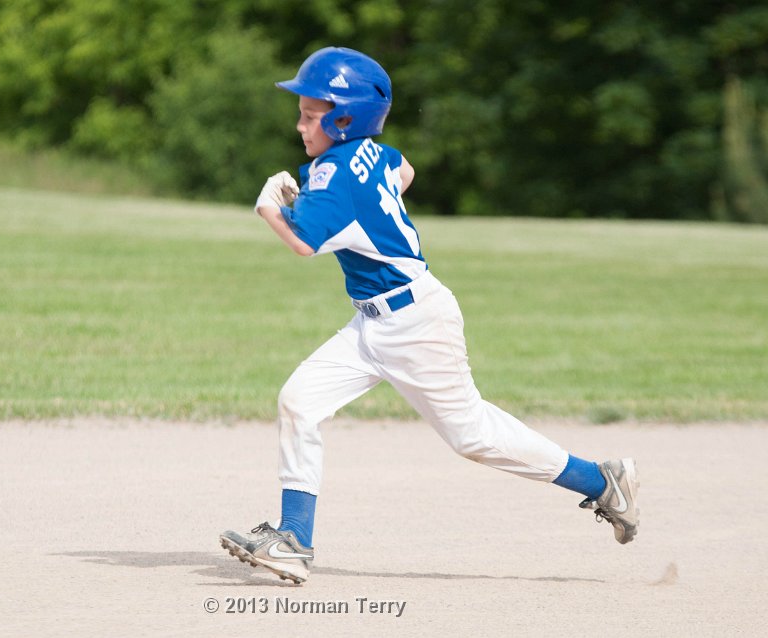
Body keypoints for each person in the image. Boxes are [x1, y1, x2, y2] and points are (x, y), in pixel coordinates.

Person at [220, 47, 639, 584]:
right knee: (300, 401)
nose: (300, 125)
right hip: (373, 324)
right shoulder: (371, 152)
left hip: (416, 324)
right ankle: (293, 539)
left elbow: (302, 243)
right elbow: (404, 172)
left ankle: (602, 482)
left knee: (472, 436)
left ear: (343, 120)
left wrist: (268, 206)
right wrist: (353, 208)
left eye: (309, 114)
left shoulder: (335, 173)